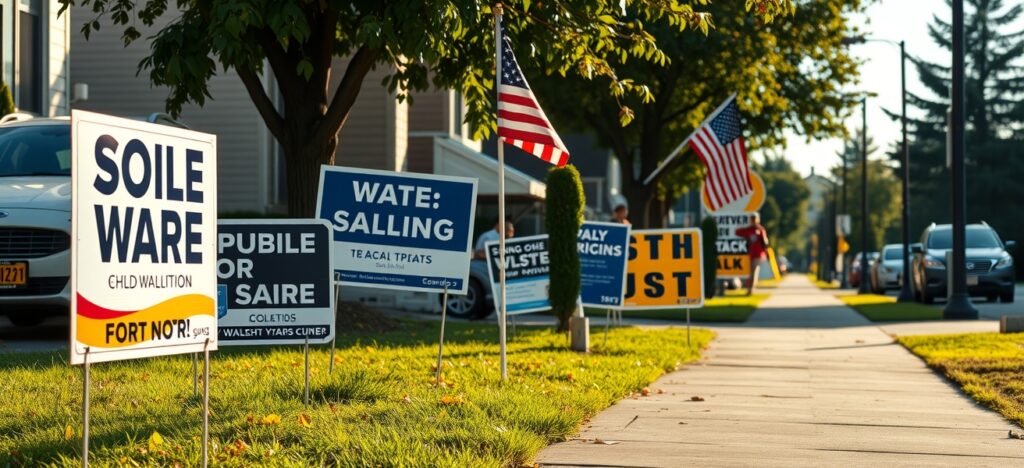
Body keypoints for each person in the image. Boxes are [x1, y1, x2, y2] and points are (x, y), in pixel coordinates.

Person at [735, 213, 770, 296]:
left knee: (753, 272)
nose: (753, 221)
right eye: (752, 219)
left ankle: (751, 289)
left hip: (758, 255)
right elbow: (737, 232)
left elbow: (766, 243)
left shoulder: (761, 230)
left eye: (754, 219)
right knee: (749, 273)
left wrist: (761, 234)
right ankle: (749, 288)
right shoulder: (748, 230)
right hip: (749, 254)